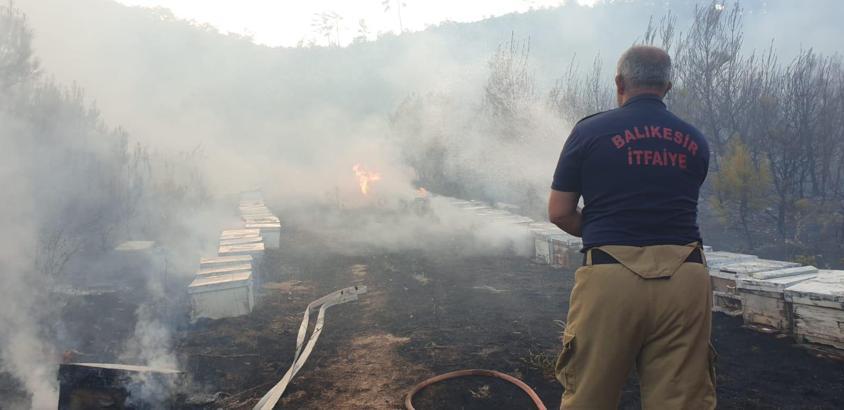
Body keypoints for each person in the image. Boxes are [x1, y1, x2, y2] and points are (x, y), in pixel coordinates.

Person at [547, 45, 715, 409]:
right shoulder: (695, 140)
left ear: (620, 83)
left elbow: (559, 212)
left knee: (590, 396)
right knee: (682, 400)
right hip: (686, 278)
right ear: (667, 87)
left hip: (610, 278)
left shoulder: (589, 131)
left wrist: (606, 228)